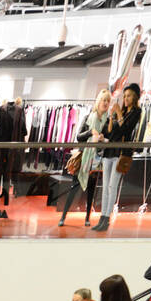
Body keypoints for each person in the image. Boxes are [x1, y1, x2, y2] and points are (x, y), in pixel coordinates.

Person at [90, 81, 142, 232]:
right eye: (124, 96)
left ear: (135, 97)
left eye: (129, 96)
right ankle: (102, 218)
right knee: (105, 186)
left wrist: (118, 113)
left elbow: (126, 130)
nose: (126, 99)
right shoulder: (123, 112)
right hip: (109, 151)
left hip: (121, 153)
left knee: (112, 187)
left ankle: (106, 218)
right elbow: (111, 133)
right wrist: (104, 133)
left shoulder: (136, 113)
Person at [58, 88, 110, 227]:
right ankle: (63, 217)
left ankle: (87, 218)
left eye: (108, 101)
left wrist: (103, 139)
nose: (105, 103)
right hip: (84, 158)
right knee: (74, 187)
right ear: (99, 101)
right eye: (104, 100)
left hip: (96, 159)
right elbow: (79, 137)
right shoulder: (88, 117)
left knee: (91, 190)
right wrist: (89, 133)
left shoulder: (107, 121)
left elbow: (109, 141)